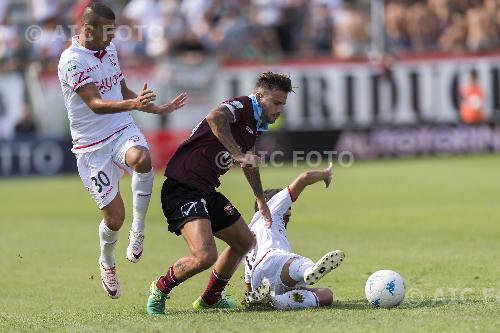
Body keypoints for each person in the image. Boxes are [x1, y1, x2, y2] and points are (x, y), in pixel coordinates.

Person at [57, 2, 187, 299]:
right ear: (88, 30)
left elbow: (121, 91)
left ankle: (139, 231)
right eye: (107, 32)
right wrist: (133, 104)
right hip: (91, 147)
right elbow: (95, 103)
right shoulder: (72, 60)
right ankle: (107, 261)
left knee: (142, 158)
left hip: (121, 129)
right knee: (114, 219)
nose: (112, 37)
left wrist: (156, 108)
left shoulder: (110, 49)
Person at [146, 72, 293, 315]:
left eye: (283, 104)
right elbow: (215, 118)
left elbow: (250, 162)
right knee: (205, 256)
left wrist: (259, 198)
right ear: (259, 96)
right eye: (276, 103)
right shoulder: (240, 106)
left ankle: (210, 298)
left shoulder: (255, 124)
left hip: (205, 190)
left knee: (245, 242)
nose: (279, 109)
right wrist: (237, 153)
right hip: (182, 188)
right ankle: (160, 288)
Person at [243, 163, 345, 310]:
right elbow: (304, 178)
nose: (290, 212)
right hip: (273, 259)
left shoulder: (246, 235)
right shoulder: (272, 208)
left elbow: (248, 283)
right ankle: (308, 270)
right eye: (287, 207)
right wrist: (326, 174)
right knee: (294, 262)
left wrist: (250, 296)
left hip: (261, 280)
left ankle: (276, 301)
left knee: (326, 295)